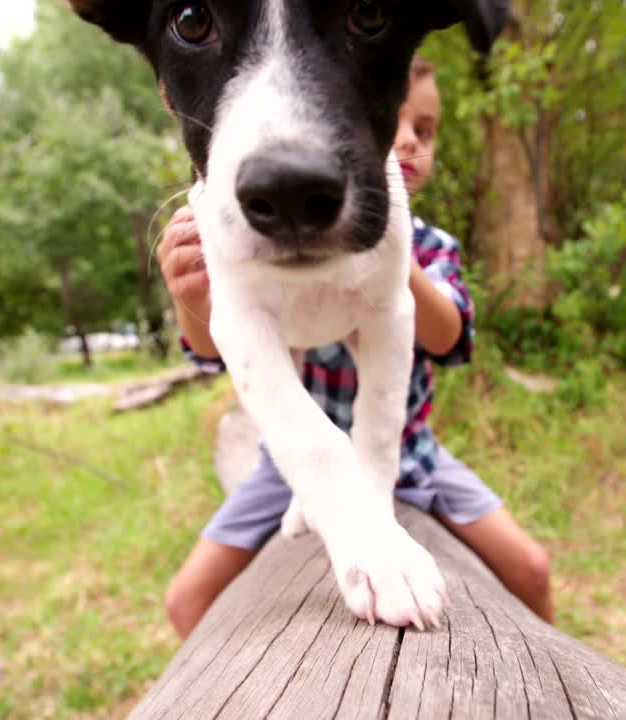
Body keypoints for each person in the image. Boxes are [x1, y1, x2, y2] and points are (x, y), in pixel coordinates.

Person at [156, 56, 553, 639]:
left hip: (415, 454)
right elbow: (218, 347)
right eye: (397, 120)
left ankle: (554, 683)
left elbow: (447, 337)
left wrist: (392, 247)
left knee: (533, 569)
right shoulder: (274, 229)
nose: (409, 140)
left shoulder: (433, 246)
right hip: (284, 463)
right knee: (185, 600)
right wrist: (189, 293)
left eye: (426, 130)